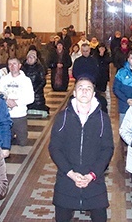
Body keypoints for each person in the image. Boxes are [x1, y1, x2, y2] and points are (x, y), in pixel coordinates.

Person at [49, 78, 114, 222]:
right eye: (80, 88)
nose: (84, 91)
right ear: (74, 93)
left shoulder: (103, 119)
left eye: (88, 88)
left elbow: (107, 149)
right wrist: (71, 173)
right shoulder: (63, 117)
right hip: (67, 178)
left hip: (94, 180)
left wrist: (92, 175)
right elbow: (55, 148)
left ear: (93, 94)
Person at [0, 57, 34, 146]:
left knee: (22, 143)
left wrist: (16, 102)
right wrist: (6, 101)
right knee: (5, 141)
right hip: (6, 115)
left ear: (19, 66)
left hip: (19, 115)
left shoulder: (26, 80)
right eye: (10, 64)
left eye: (14, 64)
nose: (12, 66)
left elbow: (31, 98)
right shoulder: (4, 79)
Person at [22, 50, 49, 118]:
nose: (30, 59)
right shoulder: (23, 67)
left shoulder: (39, 67)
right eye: (29, 57)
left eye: (32, 57)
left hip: (37, 93)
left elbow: (43, 81)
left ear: (35, 59)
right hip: (26, 92)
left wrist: (35, 90)